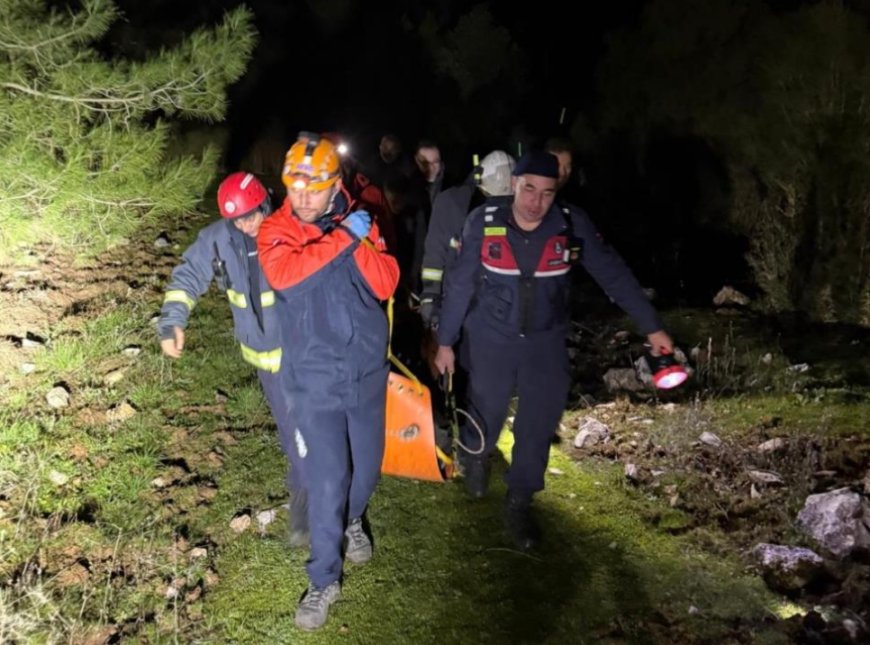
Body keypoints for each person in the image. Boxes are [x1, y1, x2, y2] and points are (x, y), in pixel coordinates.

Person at [433, 151, 674, 550]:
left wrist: (652, 326)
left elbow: (612, 273)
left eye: (546, 193)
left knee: (538, 423)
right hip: (492, 337)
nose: (536, 201)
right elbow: (458, 284)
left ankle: (520, 500)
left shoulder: (570, 224)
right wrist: (446, 341)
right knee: (486, 409)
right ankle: (475, 456)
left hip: (545, 342)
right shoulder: (484, 223)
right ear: (514, 184)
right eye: (528, 189)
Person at [257, 132, 400, 631]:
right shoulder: (276, 230)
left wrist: (358, 241)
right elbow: (287, 274)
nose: (303, 197)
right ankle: (323, 579)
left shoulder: (362, 218)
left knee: (367, 472)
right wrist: (344, 239)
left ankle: (352, 518)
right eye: (295, 187)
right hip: (313, 379)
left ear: (334, 184)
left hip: (363, 372)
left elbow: (386, 282)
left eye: (314, 188)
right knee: (327, 479)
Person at [157, 172, 309, 546]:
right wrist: (172, 322)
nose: (245, 225)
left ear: (265, 204)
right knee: (296, 437)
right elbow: (188, 276)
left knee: (305, 439)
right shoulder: (219, 239)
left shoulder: (290, 227)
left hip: (306, 357)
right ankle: (321, 505)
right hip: (266, 364)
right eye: (237, 220)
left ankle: (313, 517)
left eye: (250, 216)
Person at [419, 150, 516, 333]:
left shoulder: (518, 211)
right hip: (456, 305)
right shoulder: (451, 204)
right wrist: (430, 297)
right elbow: (434, 255)